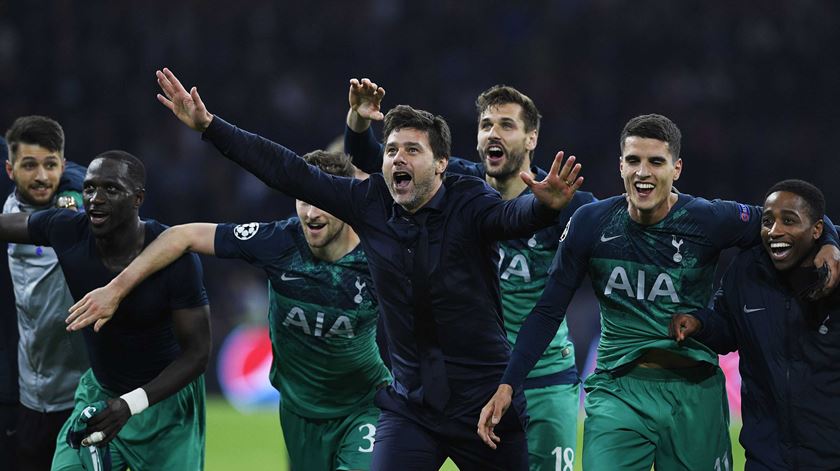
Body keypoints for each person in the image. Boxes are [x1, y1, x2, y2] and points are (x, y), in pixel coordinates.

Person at [149, 67, 580, 470]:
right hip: (412, 408)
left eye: (413, 150)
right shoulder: (369, 201)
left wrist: (544, 209)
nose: (398, 160)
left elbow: (512, 219)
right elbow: (287, 171)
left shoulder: (470, 201)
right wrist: (210, 127)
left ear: (442, 164)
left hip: (485, 405)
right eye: (392, 150)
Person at [478, 114, 840, 470]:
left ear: (676, 168)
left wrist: (830, 241)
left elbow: (786, 221)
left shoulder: (709, 220)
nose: (643, 172)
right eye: (633, 161)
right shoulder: (590, 223)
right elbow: (547, 310)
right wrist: (509, 383)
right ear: (620, 166)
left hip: (694, 393)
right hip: (618, 390)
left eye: (656, 162)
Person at [67, 150, 392, 471]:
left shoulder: (380, 256)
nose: (310, 213)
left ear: (345, 201)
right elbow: (182, 236)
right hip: (300, 410)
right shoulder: (280, 241)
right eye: (303, 200)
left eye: (321, 201)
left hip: (363, 405)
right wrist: (116, 289)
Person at [344, 79, 596, 470]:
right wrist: (359, 121)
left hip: (544, 376)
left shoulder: (563, 199)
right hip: (477, 379)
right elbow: (369, 156)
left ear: (531, 138)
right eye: (485, 125)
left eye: (507, 125)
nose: (493, 133)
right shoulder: (457, 185)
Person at [0, 150, 211, 470]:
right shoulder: (67, 230)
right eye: (89, 188)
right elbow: (11, 225)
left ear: (138, 198)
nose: (95, 199)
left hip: (166, 410)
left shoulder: (174, 257)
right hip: (100, 393)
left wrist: (131, 403)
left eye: (111, 189)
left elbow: (198, 354)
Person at [670, 179, 840, 470]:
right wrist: (700, 323)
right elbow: (727, 329)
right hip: (767, 455)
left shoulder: (835, 273)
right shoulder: (746, 271)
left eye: (789, 221)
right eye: (767, 221)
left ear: (817, 230)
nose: (775, 231)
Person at [3, 116, 89, 470]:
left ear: (63, 166)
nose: (41, 176)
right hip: (26, 396)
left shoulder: (81, 212)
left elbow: (94, 174)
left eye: (50, 165)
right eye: (29, 166)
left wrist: (71, 189)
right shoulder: (9, 211)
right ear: (10, 170)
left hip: (82, 394)